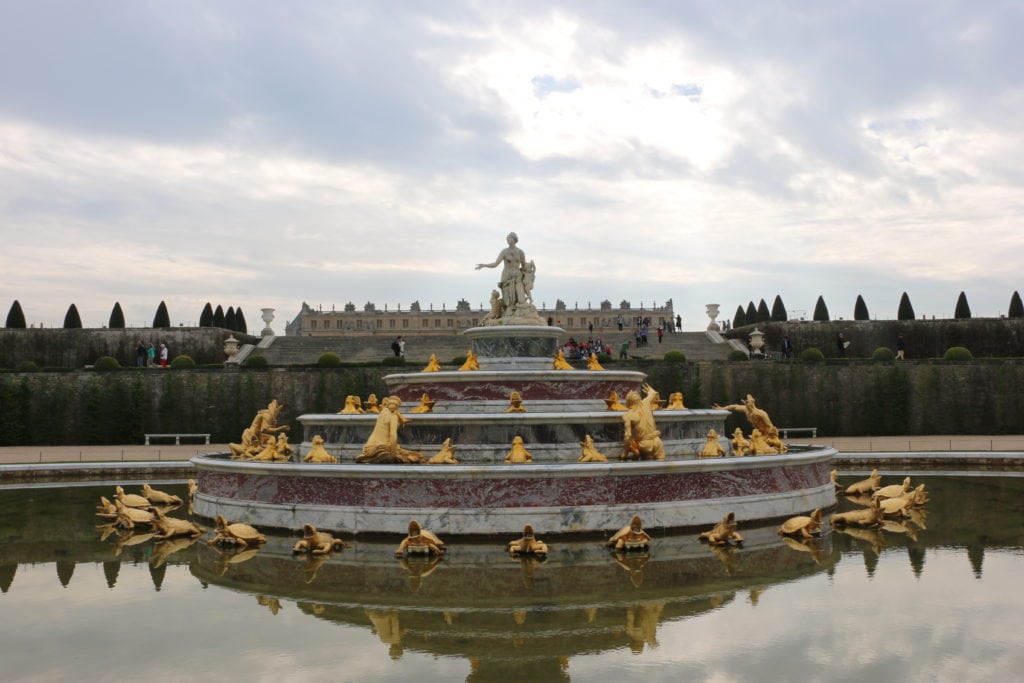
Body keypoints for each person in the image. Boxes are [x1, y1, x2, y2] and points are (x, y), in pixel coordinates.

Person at [475, 231, 528, 313]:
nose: (508, 240)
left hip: (517, 276)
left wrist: (528, 276)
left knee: (521, 299)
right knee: (507, 300)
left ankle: (519, 312)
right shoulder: (504, 252)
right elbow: (495, 264)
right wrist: (484, 265)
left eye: (509, 238)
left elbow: (524, 266)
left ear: (514, 239)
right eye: (507, 239)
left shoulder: (520, 252)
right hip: (506, 276)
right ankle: (508, 313)